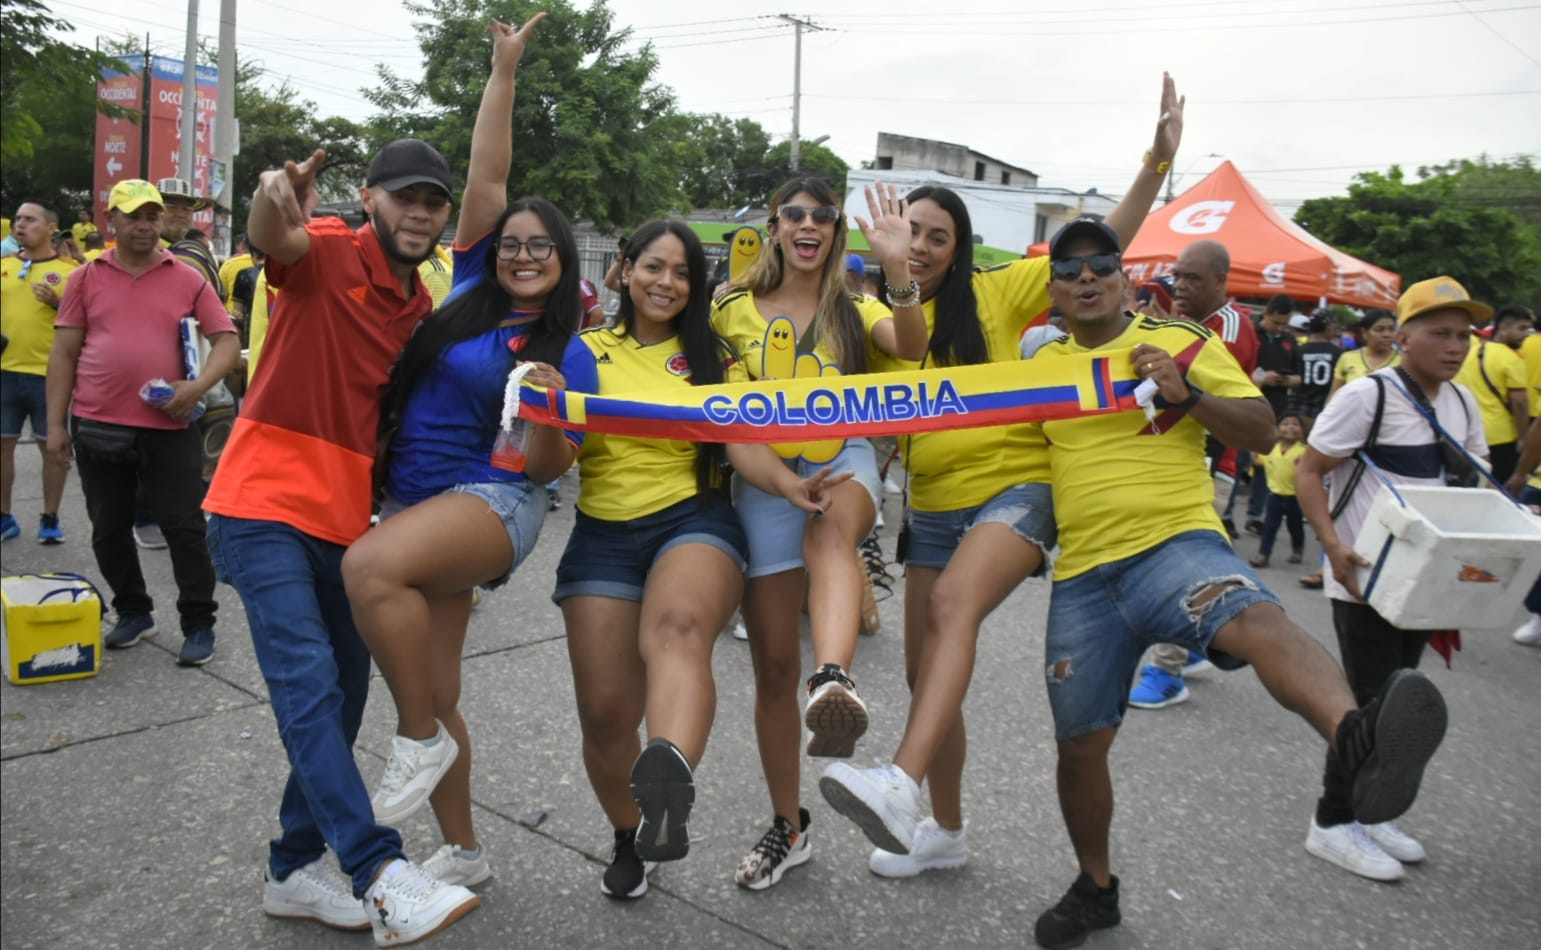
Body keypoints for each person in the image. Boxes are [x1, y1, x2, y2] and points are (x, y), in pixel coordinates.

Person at [1026, 220, 1448, 948]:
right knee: (1079, 747)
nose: (1086, 277)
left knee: (1253, 618)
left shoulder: (1185, 342)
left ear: (1124, 277)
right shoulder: (1036, 366)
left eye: (1102, 263)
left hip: (1174, 546)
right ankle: (1094, 889)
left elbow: (1259, 431)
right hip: (1083, 578)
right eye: (1070, 270)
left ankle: (1356, 741)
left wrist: (1183, 393)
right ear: (1054, 290)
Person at [818, 74, 1185, 879]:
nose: (917, 244)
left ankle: (898, 781)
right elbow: (908, 344)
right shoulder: (879, 312)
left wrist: (1154, 166)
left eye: (936, 236)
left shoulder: (1000, 290)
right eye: (907, 230)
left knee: (954, 609)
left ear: (960, 247)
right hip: (933, 511)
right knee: (926, 678)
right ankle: (942, 832)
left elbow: (1102, 241)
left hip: (1017, 492)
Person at [202, 139, 481, 944]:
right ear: (369, 199)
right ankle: (377, 870)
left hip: (350, 529)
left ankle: (292, 866)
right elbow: (272, 239)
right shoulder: (327, 249)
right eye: (404, 198)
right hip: (260, 505)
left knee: (345, 695)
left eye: (433, 201)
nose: (419, 212)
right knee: (307, 686)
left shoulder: (421, 311)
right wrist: (271, 194)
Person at [341, 16, 588, 893]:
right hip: (416, 498)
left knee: (369, 571)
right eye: (513, 242)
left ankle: (413, 739)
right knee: (439, 688)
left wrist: (550, 401)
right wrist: (504, 70)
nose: (523, 254)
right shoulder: (473, 286)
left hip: (496, 502)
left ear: (562, 264)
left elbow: (551, 469)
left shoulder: (570, 350)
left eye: (540, 247)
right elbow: (488, 173)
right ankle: (467, 851)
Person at [552, 219, 848, 900]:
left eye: (682, 272)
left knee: (678, 630)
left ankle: (669, 771)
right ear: (623, 271)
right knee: (603, 713)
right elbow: (555, 454)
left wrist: (785, 482)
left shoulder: (714, 354)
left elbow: (741, 438)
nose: (666, 282)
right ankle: (636, 833)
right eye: (652, 267)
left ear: (697, 286)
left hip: (694, 519)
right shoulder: (579, 351)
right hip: (601, 532)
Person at [710, 176, 928, 890]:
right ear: (774, 227)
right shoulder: (729, 310)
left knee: (830, 535)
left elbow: (913, 346)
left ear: (836, 231)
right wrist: (777, 481)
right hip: (764, 482)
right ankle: (787, 826)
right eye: (794, 214)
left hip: (842, 464)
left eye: (822, 216)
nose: (808, 225)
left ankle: (833, 677)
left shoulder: (855, 308)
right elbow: (725, 420)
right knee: (771, 669)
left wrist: (898, 268)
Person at [1295, 276, 1487, 881]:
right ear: (1402, 337)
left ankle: (1370, 812)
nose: (1455, 347)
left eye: (1463, 335)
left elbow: (1469, 488)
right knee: (1368, 702)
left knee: (1399, 699)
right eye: (1439, 334)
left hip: (1424, 583)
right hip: (1366, 578)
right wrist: (1333, 548)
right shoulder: (1368, 397)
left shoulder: (1461, 402)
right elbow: (1309, 472)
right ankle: (1331, 823)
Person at [43, 179, 236, 666]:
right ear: (113, 221)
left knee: (185, 528)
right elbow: (64, 353)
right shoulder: (85, 277)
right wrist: (55, 426)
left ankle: (199, 622)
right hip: (97, 425)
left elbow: (227, 343)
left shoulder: (185, 276)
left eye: (152, 216)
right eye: (134, 216)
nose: (145, 225)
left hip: (170, 427)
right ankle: (133, 611)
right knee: (108, 529)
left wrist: (195, 388)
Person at [1131, 236, 1260, 708]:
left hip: (1214, 462)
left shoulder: (1226, 329)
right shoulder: (1194, 323)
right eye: (1177, 275)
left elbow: (1188, 382)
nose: (1179, 285)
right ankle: (1191, 651)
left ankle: (1166, 672)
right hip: (1186, 457)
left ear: (1222, 282)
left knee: (1183, 564)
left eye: (1193, 278)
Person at [2, 199, 76, 544]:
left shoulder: (70, 272)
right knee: (3, 446)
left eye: (30, 220)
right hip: (4, 371)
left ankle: (51, 517)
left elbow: (87, 321)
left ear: (50, 228)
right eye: (18, 219)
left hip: (49, 376)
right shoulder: (2, 266)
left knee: (53, 448)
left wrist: (58, 303)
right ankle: (4, 517)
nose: (20, 225)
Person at [1453, 320, 1527, 482]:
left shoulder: (1469, 353)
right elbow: (1520, 402)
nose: (1526, 334)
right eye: (1521, 328)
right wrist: (1523, 438)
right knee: (1499, 488)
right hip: (1502, 438)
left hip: (1468, 434)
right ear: (1504, 327)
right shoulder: (1511, 358)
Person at [1247, 411, 1306, 568]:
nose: (1290, 427)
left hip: (1296, 497)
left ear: (1302, 431)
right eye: (1285, 424)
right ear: (1277, 429)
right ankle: (1263, 554)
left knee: (1295, 526)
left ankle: (1297, 548)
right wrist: (1254, 447)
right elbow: (1257, 460)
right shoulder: (1271, 449)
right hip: (1275, 496)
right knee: (1269, 527)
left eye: (1295, 424)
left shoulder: (1304, 451)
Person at [1330, 310, 1400, 397]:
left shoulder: (1403, 361)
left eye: (1391, 329)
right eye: (1379, 329)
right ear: (1364, 333)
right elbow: (1334, 397)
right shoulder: (1347, 358)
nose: (1387, 334)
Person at [1291, 310, 1342, 424]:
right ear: (1329, 329)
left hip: (1299, 408)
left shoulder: (1299, 350)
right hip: (1325, 407)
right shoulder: (1338, 353)